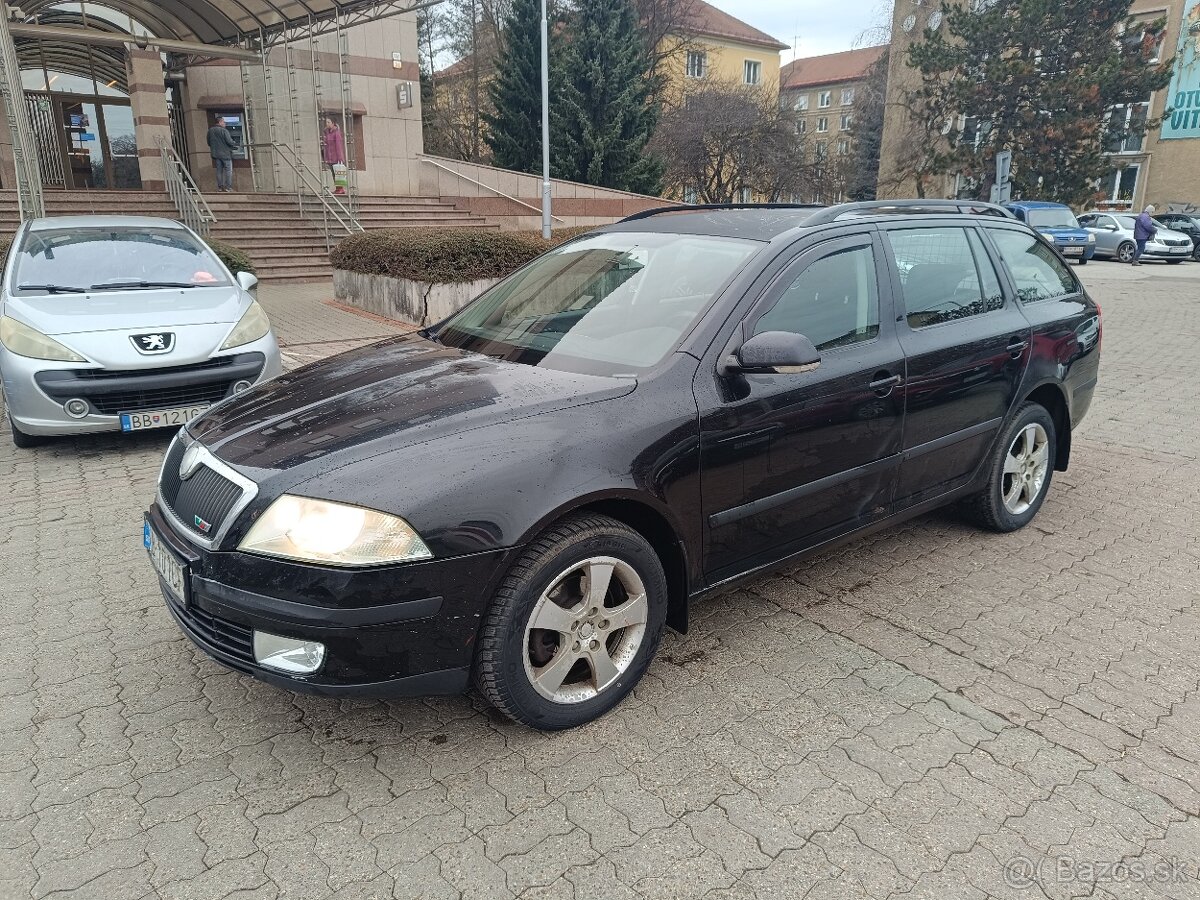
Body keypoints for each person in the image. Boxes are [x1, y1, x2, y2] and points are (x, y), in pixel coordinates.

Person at [206, 116, 239, 192]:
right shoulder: (224, 131)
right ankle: (228, 187)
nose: (225, 123)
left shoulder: (210, 131)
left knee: (219, 171)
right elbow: (229, 142)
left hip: (216, 154)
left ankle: (220, 187)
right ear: (220, 122)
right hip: (226, 154)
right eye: (224, 122)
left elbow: (208, 142)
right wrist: (235, 143)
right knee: (228, 171)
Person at [322, 117, 347, 195]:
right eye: (326, 122)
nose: (327, 124)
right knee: (334, 173)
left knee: (338, 173)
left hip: (336, 157)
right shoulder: (327, 133)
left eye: (328, 122)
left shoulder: (336, 133)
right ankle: (338, 188)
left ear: (333, 123)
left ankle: (341, 188)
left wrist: (340, 158)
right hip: (330, 157)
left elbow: (339, 146)